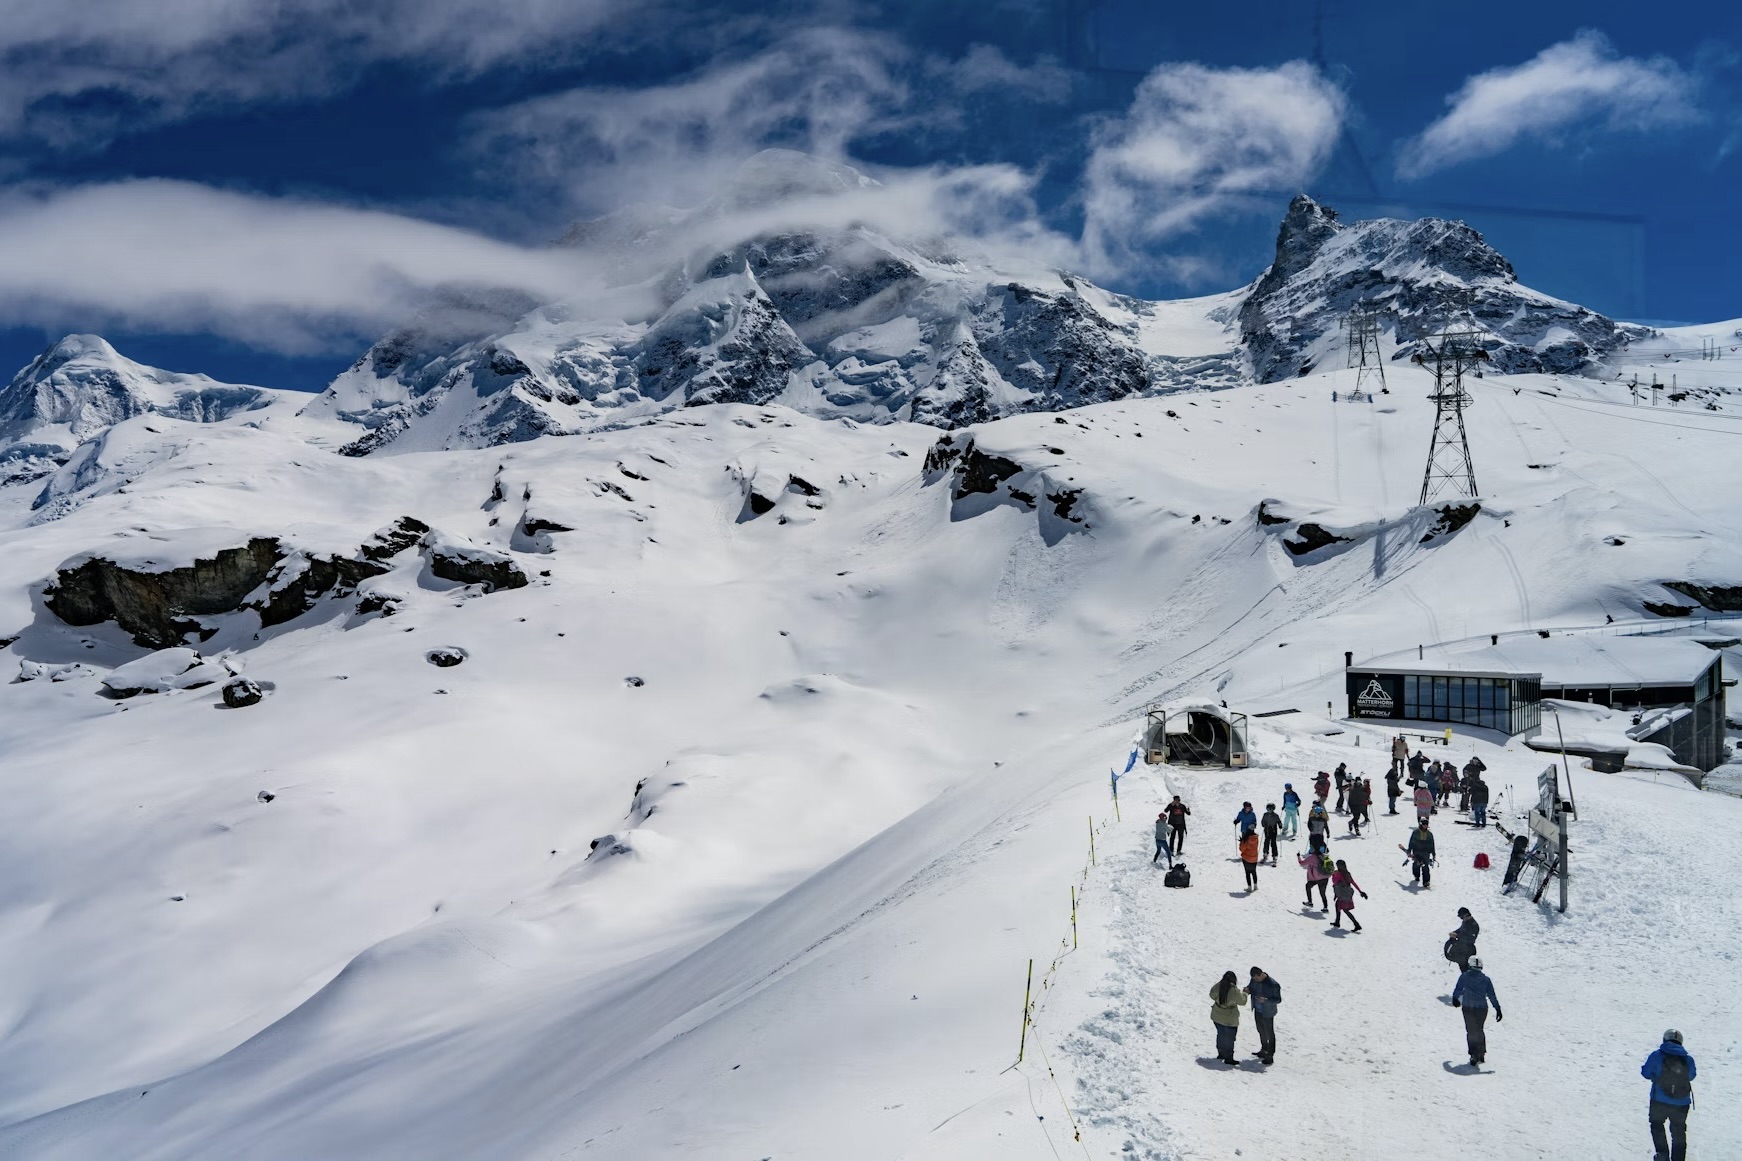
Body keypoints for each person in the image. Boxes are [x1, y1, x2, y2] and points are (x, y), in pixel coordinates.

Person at [1642, 1029, 1696, 1161]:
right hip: (1681, 1103)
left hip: (1659, 1100)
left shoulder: (1657, 1055)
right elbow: (1691, 1076)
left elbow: (1646, 1072)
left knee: (1657, 1125)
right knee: (1678, 1131)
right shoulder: (1688, 1059)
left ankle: (1662, 1155)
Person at [1451, 957, 1502, 1066]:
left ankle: (1474, 1054)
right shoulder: (1486, 979)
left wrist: (1455, 999)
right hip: (1482, 1008)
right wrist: (1497, 1008)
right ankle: (1481, 1053)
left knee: (1471, 1031)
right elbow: (1492, 995)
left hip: (1468, 1007)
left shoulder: (1464, 976)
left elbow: (1458, 989)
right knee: (1479, 1029)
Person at [1244, 966, 1281, 1065]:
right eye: (1253, 979)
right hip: (1258, 1010)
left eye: (1256, 978)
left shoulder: (1273, 984)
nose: (1255, 980)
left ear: (1261, 975)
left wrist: (1266, 1001)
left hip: (1267, 1012)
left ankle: (1270, 1055)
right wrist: (1248, 990)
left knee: (1269, 1033)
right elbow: (1251, 987)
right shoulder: (1254, 980)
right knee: (1261, 1030)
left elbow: (1278, 1000)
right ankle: (1264, 1049)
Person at [1210, 970, 1247, 1065]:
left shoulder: (1218, 986)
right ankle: (1228, 1057)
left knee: (1221, 1034)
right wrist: (1245, 993)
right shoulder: (1234, 990)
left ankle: (1221, 1053)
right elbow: (1242, 1002)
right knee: (1230, 1038)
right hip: (1230, 1019)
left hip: (1217, 1015)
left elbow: (1211, 995)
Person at [1331, 859, 1367, 930]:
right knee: (1340, 906)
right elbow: (1353, 882)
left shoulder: (1339, 873)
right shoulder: (1347, 873)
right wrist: (1360, 891)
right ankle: (1337, 922)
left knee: (1344, 909)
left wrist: (1333, 875)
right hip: (1348, 893)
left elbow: (1335, 882)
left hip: (1342, 894)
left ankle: (1356, 924)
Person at [1298, 838, 1331, 909]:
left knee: (1308, 886)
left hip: (1317, 878)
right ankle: (1325, 907)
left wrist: (1298, 856)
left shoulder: (1312, 857)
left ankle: (1310, 902)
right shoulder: (1324, 856)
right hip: (1325, 877)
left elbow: (1302, 863)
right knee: (1322, 893)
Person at [1403, 820, 1436, 887]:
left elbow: (1432, 844)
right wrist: (1409, 850)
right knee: (1416, 864)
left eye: (1426, 824)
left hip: (1426, 852)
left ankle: (1426, 881)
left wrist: (1433, 853)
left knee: (1425, 866)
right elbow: (1411, 842)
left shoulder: (1429, 834)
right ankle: (1416, 875)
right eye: (1424, 824)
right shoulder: (1416, 833)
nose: (1425, 826)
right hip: (1417, 851)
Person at [1239, 827, 1260, 891]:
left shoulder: (1246, 839)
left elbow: (1241, 849)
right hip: (1254, 858)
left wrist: (1241, 842)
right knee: (1254, 872)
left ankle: (1249, 887)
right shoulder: (1256, 838)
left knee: (1247, 873)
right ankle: (1255, 886)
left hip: (1246, 858)